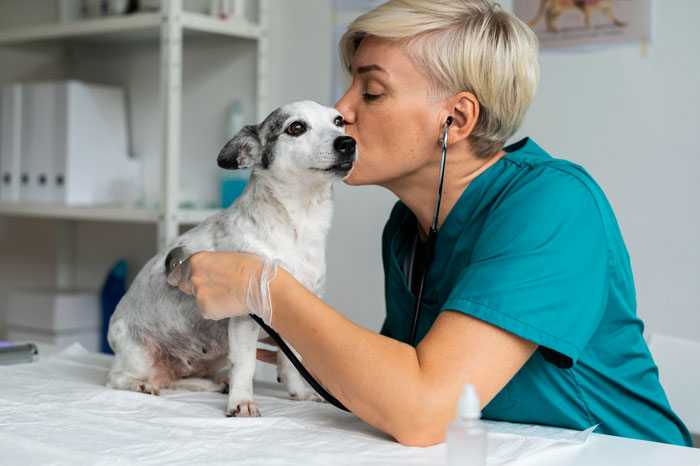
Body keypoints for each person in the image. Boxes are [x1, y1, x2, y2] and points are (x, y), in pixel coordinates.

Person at [168, 0, 692, 448]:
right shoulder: (407, 227)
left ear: (456, 120)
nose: (341, 110)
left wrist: (262, 287)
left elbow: (422, 411)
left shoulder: (554, 204)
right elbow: (391, 385)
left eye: (370, 92)